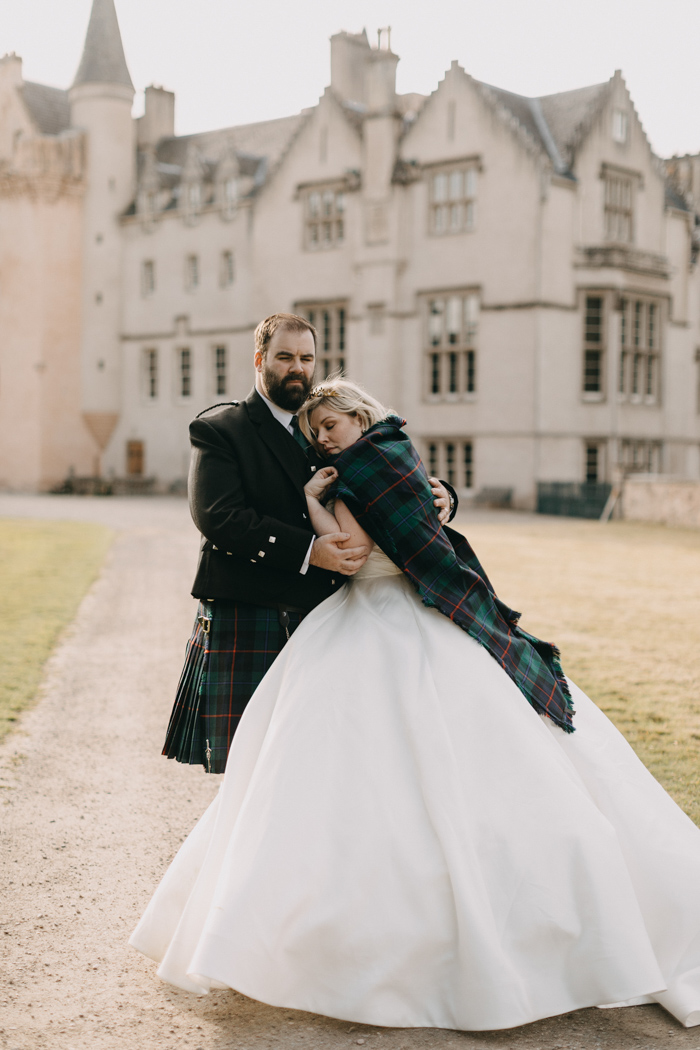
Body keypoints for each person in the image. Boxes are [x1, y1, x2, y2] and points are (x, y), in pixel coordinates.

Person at [132, 379, 700, 1032]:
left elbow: (358, 553)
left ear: (358, 416)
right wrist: (348, 502)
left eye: (331, 424)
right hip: (386, 615)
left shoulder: (366, 467)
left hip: (386, 615)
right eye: (316, 430)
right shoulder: (384, 457)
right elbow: (395, 527)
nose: (323, 437)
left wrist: (324, 504)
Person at [161, 314, 457, 773]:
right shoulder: (222, 429)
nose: (297, 368)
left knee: (326, 762)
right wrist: (308, 551)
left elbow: (386, 475)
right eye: (285, 357)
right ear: (259, 360)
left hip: (328, 615)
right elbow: (218, 517)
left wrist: (443, 496)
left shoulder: (325, 425)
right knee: (252, 762)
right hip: (253, 612)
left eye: (306, 358)